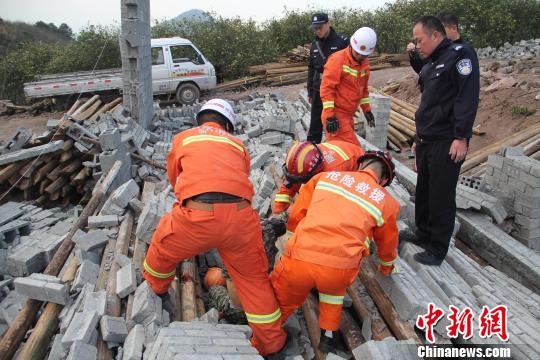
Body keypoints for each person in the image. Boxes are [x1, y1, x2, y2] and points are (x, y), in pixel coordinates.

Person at [142, 99, 287, 356]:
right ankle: (272, 343)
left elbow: (176, 179)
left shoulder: (184, 139)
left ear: (200, 119)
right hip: (241, 218)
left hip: (197, 215)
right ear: (228, 125)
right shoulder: (237, 144)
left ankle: (157, 288)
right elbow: (238, 178)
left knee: (162, 246)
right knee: (254, 282)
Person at [271, 151, 400, 354]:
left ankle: (267, 339)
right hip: (338, 270)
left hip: (300, 260)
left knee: (282, 299)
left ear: (360, 165)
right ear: (384, 180)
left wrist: (292, 236)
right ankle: (328, 335)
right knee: (333, 290)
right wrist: (386, 268)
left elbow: (298, 213)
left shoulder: (325, 178)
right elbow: (388, 244)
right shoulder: (386, 202)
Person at [410, 16, 480, 266]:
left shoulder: (460, 56)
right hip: (427, 138)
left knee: (441, 194)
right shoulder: (431, 63)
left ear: (436, 35)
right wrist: (418, 138)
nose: (416, 45)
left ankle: (437, 248)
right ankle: (422, 234)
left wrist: (462, 136)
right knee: (425, 191)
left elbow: (467, 98)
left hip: (446, 139)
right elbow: (428, 103)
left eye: (419, 40)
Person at [320, 27, 377, 147]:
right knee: (354, 151)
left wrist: (367, 110)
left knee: (341, 152)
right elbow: (327, 89)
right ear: (351, 45)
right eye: (358, 53)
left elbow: (363, 89)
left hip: (348, 116)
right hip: (335, 116)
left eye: (363, 55)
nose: (360, 57)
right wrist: (330, 116)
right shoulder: (337, 60)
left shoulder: (364, 63)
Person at [272, 140, 364, 214]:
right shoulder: (309, 153)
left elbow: (321, 207)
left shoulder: (332, 174)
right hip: (345, 151)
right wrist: (279, 207)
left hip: (359, 168)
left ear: (316, 172)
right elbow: (291, 182)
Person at [306, 13, 349, 144]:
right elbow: (311, 68)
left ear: (328, 24)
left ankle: (337, 149)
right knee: (315, 123)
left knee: (336, 123)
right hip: (319, 89)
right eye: (315, 28)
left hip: (337, 90)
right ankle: (313, 149)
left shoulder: (342, 42)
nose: (318, 31)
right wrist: (310, 91)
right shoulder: (314, 45)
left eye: (320, 27)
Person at [407, 12, 475, 73]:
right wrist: (414, 55)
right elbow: (422, 70)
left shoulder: (464, 52)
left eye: (441, 28)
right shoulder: (438, 51)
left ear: (453, 28)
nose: (438, 32)